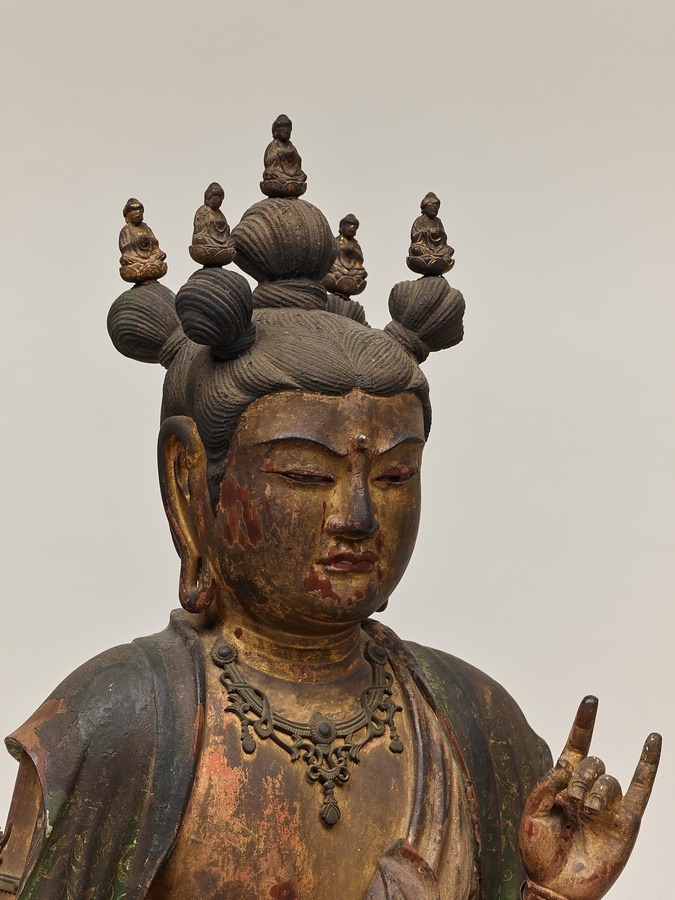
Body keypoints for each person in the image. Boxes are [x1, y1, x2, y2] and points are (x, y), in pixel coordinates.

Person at [0, 156, 659, 900]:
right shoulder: (120, 723)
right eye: (304, 475)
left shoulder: (476, 726)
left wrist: (553, 891)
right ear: (188, 483)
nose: (357, 517)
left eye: (394, 477)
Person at [118, 198, 168, 283]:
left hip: (150, 256)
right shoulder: (126, 230)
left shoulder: (146, 228)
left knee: (161, 255)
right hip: (135, 258)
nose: (137, 212)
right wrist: (137, 241)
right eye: (133, 210)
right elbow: (125, 248)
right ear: (127, 215)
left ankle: (148, 265)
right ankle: (145, 265)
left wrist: (149, 240)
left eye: (139, 209)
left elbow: (155, 244)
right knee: (125, 258)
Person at [189, 182, 236, 267]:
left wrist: (224, 226)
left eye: (220, 200)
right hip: (208, 239)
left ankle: (222, 248)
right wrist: (210, 224)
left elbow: (226, 228)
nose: (218, 202)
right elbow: (198, 227)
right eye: (215, 199)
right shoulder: (202, 210)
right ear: (208, 199)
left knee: (231, 243)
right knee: (199, 239)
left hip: (221, 241)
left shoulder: (220, 213)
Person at [322, 213, 368, 297]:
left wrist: (353, 253)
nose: (352, 228)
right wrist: (342, 250)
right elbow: (330, 256)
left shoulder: (356, 245)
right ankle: (339, 277)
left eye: (354, 227)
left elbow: (360, 260)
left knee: (362, 273)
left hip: (352, 270)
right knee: (330, 269)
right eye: (349, 226)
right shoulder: (335, 242)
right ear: (341, 228)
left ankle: (347, 279)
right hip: (338, 267)